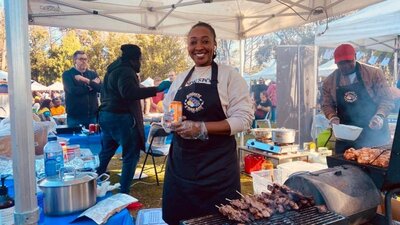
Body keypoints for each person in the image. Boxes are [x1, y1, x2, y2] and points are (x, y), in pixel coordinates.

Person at [161, 22, 254, 224]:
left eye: (205, 41)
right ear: (188, 47)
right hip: (181, 167)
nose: (199, 47)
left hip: (217, 170)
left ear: (214, 45)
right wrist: (169, 121)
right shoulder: (181, 79)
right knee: (179, 219)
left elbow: (244, 119)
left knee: (218, 220)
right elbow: (166, 111)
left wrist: (202, 128)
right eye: (193, 42)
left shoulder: (229, 75)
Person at [97, 44, 171, 194]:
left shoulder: (112, 70)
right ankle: (124, 193)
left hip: (106, 115)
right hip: (121, 117)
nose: (140, 63)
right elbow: (129, 92)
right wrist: (156, 89)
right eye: (140, 59)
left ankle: (95, 180)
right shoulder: (126, 71)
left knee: (107, 150)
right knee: (131, 155)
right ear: (134, 59)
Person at [321, 44, 394, 154]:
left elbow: (387, 99)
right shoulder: (329, 81)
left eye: (348, 61)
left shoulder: (373, 74)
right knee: (343, 165)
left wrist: (380, 116)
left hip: (373, 130)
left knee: (375, 163)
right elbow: (327, 104)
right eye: (341, 63)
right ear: (336, 62)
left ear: (355, 57)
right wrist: (332, 117)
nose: (345, 66)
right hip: (346, 134)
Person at [62, 50, 101, 128]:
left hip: (92, 117)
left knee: (93, 140)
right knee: (75, 140)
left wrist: (87, 81)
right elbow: (73, 91)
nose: (83, 61)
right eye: (81, 59)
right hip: (75, 117)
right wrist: (91, 85)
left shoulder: (93, 74)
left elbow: (100, 88)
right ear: (75, 61)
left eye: (85, 59)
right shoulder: (68, 74)